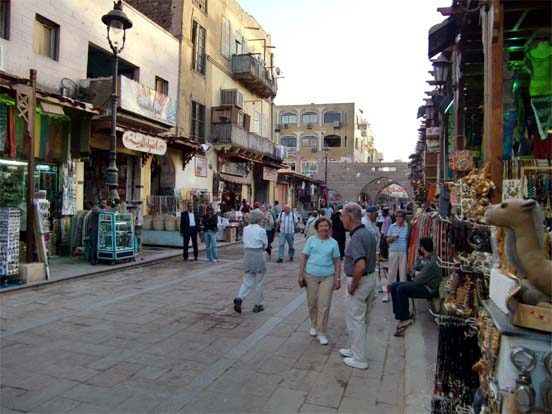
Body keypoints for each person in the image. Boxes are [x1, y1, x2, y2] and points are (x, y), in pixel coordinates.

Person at [338, 202, 377, 369]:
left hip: (360, 281)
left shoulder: (357, 237)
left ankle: (359, 358)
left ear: (349, 217)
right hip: (370, 279)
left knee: (356, 319)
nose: (341, 219)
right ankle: (355, 350)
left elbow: (360, 265)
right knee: (361, 319)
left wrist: (353, 285)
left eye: (342, 216)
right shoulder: (367, 232)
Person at [298, 216, 341, 345]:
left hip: (327, 276)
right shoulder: (311, 240)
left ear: (329, 227)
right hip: (311, 275)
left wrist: (338, 278)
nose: (324, 228)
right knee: (312, 302)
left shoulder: (333, 243)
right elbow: (304, 258)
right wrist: (300, 275)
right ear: (317, 228)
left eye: (326, 226)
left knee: (324, 304)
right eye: (321, 226)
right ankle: (314, 324)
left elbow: (337, 262)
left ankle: (321, 331)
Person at [390, 238, 442, 336]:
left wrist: (416, 274)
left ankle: (404, 319)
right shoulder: (423, 258)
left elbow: (418, 280)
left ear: (422, 248)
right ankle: (401, 314)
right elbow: (411, 269)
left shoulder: (431, 262)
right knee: (394, 286)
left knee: (401, 289)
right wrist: (416, 273)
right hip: (422, 284)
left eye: (420, 246)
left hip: (428, 289)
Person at [233, 209, 268, 314]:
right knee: (259, 281)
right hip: (258, 254)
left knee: (247, 279)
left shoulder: (246, 229)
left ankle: (240, 297)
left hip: (248, 254)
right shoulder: (261, 230)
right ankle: (258, 304)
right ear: (258, 219)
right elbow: (265, 244)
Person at [382, 210, 409, 302]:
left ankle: (402, 294)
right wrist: (392, 238)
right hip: (393, 251)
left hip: (404, 252)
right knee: (391, 273)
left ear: (404, 217)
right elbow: (387, 240)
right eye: (397, 216)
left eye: (400, 216)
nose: (398, 218)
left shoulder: (408, 227)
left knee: (403, 274)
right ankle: (387, 293)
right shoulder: (392, 226)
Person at [87, 198, 106, 265]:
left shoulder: (100, 209)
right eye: (103, 203)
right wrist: (105, 210)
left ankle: (95, 258)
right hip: (93, 229)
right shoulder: (96, 208)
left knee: (95, 245)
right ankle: (93, 260)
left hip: (97, 230)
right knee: (94, 245)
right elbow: (98, 211)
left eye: (105, 203)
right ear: (99, 203)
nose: (104, 204)